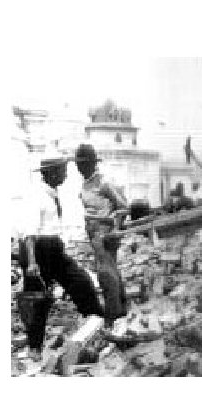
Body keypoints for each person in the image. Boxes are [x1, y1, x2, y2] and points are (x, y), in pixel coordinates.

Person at [16, 155, 104, 359]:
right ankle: (34, 349)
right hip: (37, 251)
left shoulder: (52, 193)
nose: (65, 175)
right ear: (53, 173)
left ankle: (95, 323)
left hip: (53, 249)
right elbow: (30, 232)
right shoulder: (35, 195)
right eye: (63, 171)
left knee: (80, 282)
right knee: (37, 301)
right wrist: (31, 263)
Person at [75, 143, 129, 323]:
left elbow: (123, 207)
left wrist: (115, 229)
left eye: (82, 163)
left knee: (105, 274)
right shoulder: (86, 184)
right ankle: (121, 310)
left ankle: (112, 316)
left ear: (91, 163)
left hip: (104, 232)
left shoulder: (104, 182)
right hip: (93, 232)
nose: (79, 167)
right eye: (78, 163)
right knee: (110, 270)